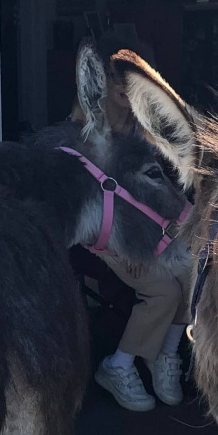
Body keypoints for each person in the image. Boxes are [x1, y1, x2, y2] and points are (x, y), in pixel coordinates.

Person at [69, 36, 191, 413]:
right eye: (113, 76)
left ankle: (163, 355)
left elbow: (158, 188)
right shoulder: (84, 127)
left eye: (132, 78)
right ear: (100, 80)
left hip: (146, 228)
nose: (123, 86)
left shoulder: (143, 127)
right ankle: (118, 366)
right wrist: (125, 246)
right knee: (162, 292)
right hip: (106, 238)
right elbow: (88, 203)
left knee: (191, 274)